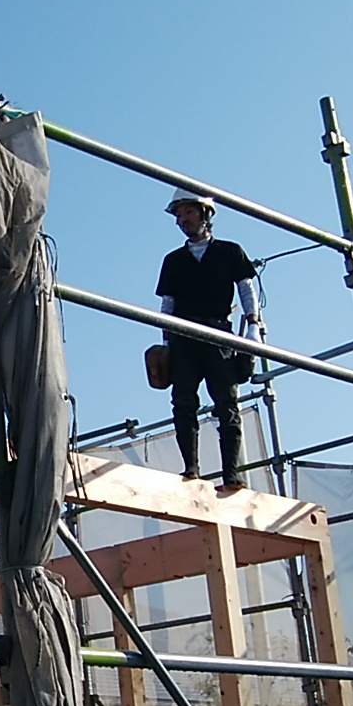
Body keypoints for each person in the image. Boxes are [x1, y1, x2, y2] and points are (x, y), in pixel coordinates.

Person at [156, 188, 263, 491]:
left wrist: (253, 325)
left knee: (227, 404)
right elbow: (168, 303)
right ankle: (191, 470)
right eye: (179, 215)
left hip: (219, 335)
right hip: (184, 338)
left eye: (188, 213)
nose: (182, 220)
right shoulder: (174, 260)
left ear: (205, 214)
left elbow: (246, 289)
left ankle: (232, 476)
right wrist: (166, 342)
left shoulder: (230, 252)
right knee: (183, 402)